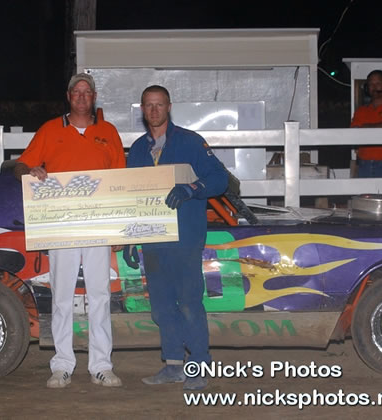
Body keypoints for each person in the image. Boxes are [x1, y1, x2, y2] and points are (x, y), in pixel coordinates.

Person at [14, 73, 126, 388]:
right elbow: (20, 166)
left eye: (87, 91)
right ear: (68, 96)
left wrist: (119, 230)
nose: (81, 96)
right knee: (61, 295)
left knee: (100, 295)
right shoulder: (50, 130)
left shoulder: (108, 132)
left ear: (94, 97)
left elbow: (120, 181)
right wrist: (31, 171)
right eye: (76, 91)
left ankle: (101, 365)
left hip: (99, 224)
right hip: (61, 225)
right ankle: (62, 365)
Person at [123, 85, 229, 390]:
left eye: (159, 104)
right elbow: (131, 196)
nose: (154, 110)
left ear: (169, 107)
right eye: (148, 105)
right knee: (161, 307)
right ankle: (173, 365)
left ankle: (199, 365)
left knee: (189, 303)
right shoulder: (138, 150)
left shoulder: (190, 142)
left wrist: (191, 189)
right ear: (142, 109)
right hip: (153, 240)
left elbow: (220, 178)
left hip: (185, 237)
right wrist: (129, 236)